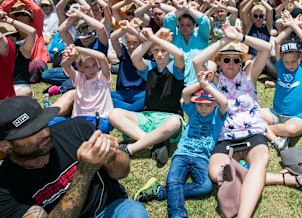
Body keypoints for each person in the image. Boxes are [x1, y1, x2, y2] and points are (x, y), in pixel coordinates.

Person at [193, 24, 302, 218]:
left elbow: (265, 47)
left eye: (235, 60)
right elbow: (197, 61)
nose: (231, 64)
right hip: (226, 138)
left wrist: (239, 37)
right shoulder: (214, 81)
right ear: (219, 62)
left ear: (241, 62)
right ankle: (281, 178)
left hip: (253, 135)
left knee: (261, 160)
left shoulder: (249, 76)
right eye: (226, 59)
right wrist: (225, 41)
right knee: (215, 173)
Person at [0, 96, 148, 217]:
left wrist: (110, 156)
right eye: (32, 131)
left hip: (111, 209)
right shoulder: (0, 191)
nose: (45, 133)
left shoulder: (77, 129)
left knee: (135, 213)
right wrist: (84, 173)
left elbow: (122, 172)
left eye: (43, 123)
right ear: (5, 145)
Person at [133, 70, 228, 218]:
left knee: (205, 186)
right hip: (182, 154)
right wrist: (200, 83)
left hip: (202, 158)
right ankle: (177, 213)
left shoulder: (217, 116)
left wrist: (207, 87)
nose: (203, 108)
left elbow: (224, 102)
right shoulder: (193, 110)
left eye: (208, 105)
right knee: (174, 180)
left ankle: (161, 191)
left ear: (214, 103)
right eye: (200, 104)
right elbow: (185, 93)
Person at [110, 27, 185, 164]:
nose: (160, 54)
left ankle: (132, 148)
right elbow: (135, 57)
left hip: (169, 118)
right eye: (156, 50)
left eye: (164, 50)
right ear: (151, 51)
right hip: (147, 116)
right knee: (114, 114)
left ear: (169, 51)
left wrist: (154, 39)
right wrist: (153, 36)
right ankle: (154, 142)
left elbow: (179, 55)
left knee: (175, 122)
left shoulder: (175, 67)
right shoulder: (149, 67)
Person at [264, 11, 302, 151]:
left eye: (293, 61)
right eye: (286, 62)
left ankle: (262, 129)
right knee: (251, 114)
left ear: (300, 58)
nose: (290, 65)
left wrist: (294, 25)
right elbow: (278, 41)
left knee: (291, 130)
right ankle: (276, 138)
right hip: (275, 113)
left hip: (296, 118)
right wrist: (290, 26)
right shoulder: (280, 66)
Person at [58, 45, 115, 133]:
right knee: (51, 122)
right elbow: (64, 64)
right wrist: (69, 53)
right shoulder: (78, 78)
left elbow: (102, 57)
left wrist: (77, 48)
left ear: (98, 64)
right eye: (87, 67)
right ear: (80, 67)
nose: (91, 70)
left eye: (94, 65)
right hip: (80, 119)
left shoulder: (103, 77)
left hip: (101, 120)